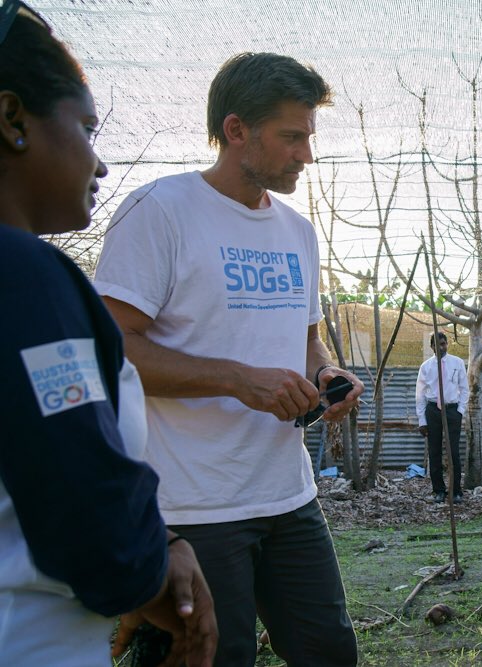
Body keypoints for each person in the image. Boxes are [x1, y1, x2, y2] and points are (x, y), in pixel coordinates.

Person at [94, 52, 362, 665]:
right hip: (192, 508)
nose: (307, 155)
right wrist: (238, 381)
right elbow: (112, 347)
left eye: (308, 137)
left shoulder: (297, 231)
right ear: (236, 129)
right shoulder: (159, 210)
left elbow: (306, 341)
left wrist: (326, 373)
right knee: (214, 657)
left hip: (289, 495)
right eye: (291, 137)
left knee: (330, 652)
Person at [0, 2, 216, 663]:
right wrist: (154, 566)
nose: (100, 164)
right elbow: (82, 499)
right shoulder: (25, 276)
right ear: (12, 118)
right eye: (87, 129)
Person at [416, 331, 470, 503]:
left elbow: (465, 388)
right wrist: (422, 420)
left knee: (453, 452)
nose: (441, 347)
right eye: (437, 344)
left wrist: (460, 411)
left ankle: (456, 491)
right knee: (434, 452)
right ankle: (439, 490)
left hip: (452, 410)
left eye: (443, 343)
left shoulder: (457, 363)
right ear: (431, 346)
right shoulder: (426, 367)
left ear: (447, 344)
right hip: (433, 411)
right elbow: (420, 395)